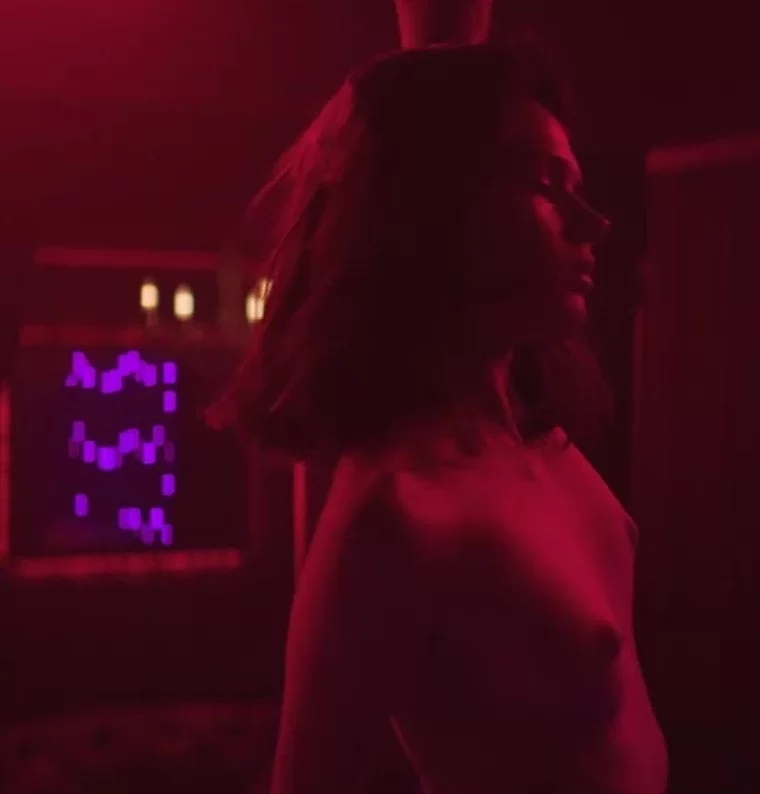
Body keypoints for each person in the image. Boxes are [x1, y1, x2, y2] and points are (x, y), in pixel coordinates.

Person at [211, 43, 668, 794]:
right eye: (547, 184)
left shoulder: (546, 450)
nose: (592, 223)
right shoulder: (394, 515)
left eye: (580, 188)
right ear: (437, 208)